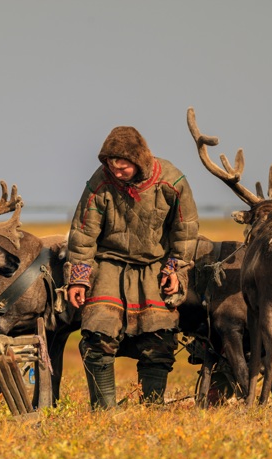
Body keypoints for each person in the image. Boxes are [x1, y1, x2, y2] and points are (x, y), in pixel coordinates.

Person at [65, 126, 199, 408]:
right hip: (109, 266)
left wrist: (176, 269)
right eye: (111, 166)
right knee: (97, 336)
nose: (116, 172)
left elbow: (185, 231)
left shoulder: (172, 181)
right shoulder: (100, 183)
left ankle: (152, 407)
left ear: (138, 160)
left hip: (155, 267)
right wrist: (78, 278)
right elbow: (84, 233)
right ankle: (103, 411)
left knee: (159, 340)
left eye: (122, 166)